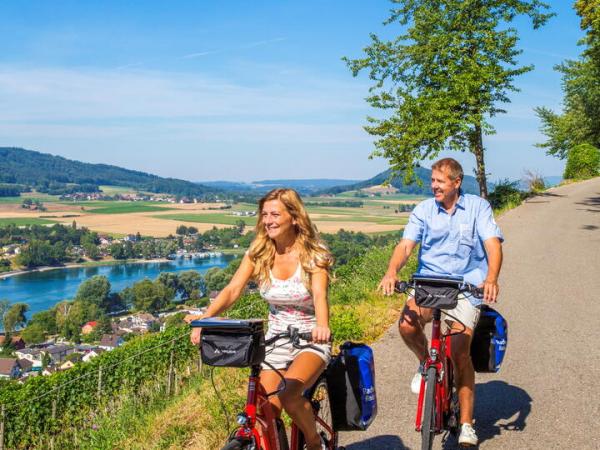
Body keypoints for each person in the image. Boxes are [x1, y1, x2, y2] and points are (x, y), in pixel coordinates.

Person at [188, 188, 333, 450]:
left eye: (275, 214)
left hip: (310, 337)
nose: (268, 220)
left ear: (295, 217)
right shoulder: (259, 253)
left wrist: (322, 326)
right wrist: (206, 318)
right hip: (275, 340)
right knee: (263, 412)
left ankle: (314, 443)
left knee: (289, 395)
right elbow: (233, 290)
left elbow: (320, 294)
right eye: (264, 214)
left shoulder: (314, 254)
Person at [379, 158, 503, 447]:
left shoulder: (477, 208)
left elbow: (492, 244)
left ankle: (467, 424)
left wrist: (491, 278)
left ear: (456, 183)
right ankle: (427, 364)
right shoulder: (424, 210)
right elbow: (406, 245)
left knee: (460, 351)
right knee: (407, 326)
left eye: (439, 181)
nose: (433, 185)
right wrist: (391, 271)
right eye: (432, 180)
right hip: (429, 283)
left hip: (465, 286)